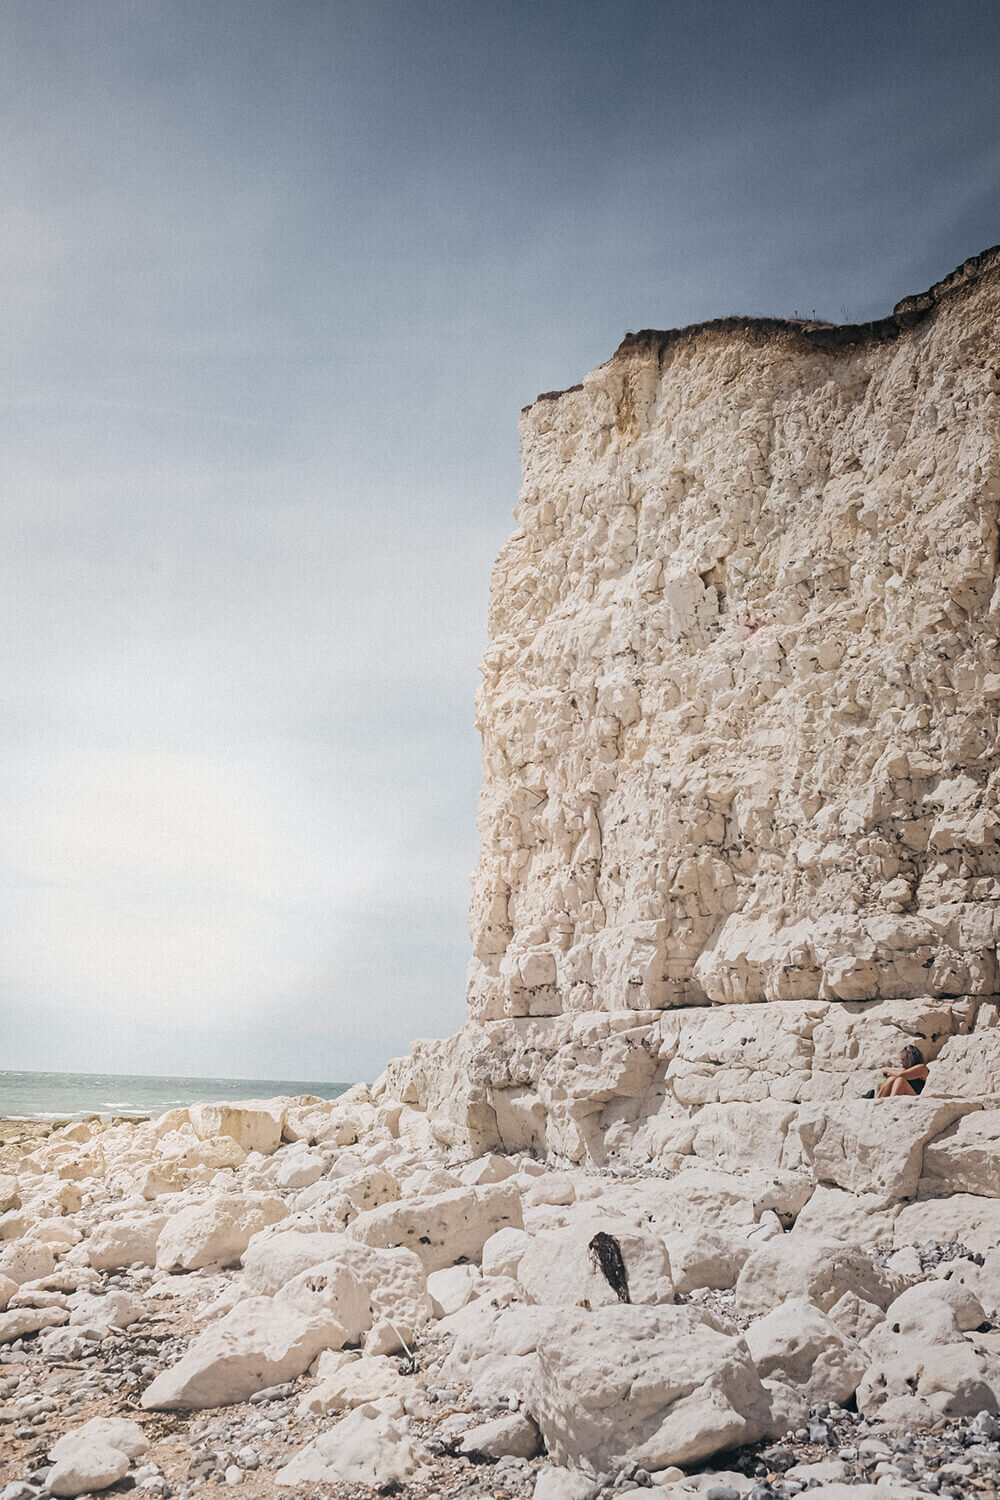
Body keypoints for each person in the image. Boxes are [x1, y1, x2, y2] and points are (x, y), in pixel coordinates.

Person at [863, 1044, 929, 1098]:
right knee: (892, 1079)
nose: (901, 1062)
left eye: (903, 1060)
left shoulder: (922, 1068)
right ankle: (877, 1100)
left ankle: (891, 1102)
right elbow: (880, 1080)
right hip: (904, 1095)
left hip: (916, 1097)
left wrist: (886, 1069)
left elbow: (902, 1075)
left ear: (911, 1059)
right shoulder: (904, 1070)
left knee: (900, 1080)